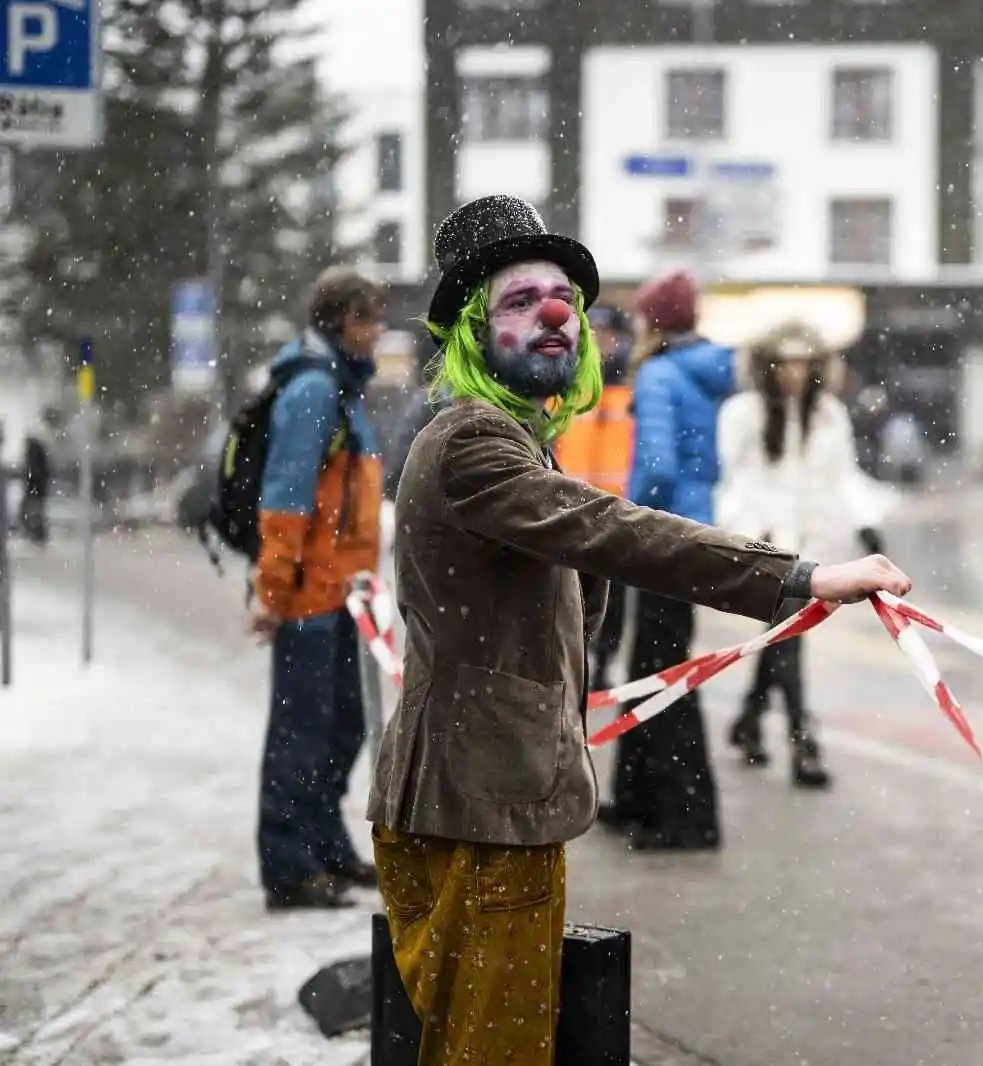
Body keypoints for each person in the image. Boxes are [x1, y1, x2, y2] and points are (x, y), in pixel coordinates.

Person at [366, 194, 911, 1066]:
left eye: (565, 300)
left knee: (480, 1046)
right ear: (471, 330)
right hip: (480, 809)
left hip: (489, 798)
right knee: (491, 1055)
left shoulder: (512, 435)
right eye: (518, 301)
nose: (554, 314)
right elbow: (615, 528)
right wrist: (801, 576)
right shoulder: (472, 441)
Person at [251, 266, 388, 911]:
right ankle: (289, 865)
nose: (379, 329)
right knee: (300, 733)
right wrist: (273, 593)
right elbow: (286, 500)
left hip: (346, 595)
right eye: (370, 318)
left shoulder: (344, 389)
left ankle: (326, 847)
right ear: (342, 321)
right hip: (310, 597)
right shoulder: (311, 391)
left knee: (344, 727)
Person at [716, 321, 895, 788]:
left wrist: (865, 524)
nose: (792, 373)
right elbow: (739, 481)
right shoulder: (743, 413)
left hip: (813, 548)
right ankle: (801, 738)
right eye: (784, 362)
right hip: (766, 545)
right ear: (766, 366)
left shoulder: (828, 415)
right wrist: (753, 537)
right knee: (788, 634)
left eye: (802, 363)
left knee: (784, 633)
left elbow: (843, 478)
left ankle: (751, 720)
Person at [598, 268, 737, 851]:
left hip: (663, 538)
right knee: (654, 663)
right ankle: (636, 798)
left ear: (652, 319)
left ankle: (685, 816)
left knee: (664, 672)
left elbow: (654, 468)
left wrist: (630, 524)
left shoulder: (657, 374)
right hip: (698, 530)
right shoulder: (710, 372)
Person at [552, 303, 635, 689]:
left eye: (608, 334)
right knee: (572, 593)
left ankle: (603, 662)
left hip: (616, 508)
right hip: (573, 508)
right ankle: (580, 658)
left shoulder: (629, 388)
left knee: (612, 600)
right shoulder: (568, 384)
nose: (602, 342)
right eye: (595, 334)